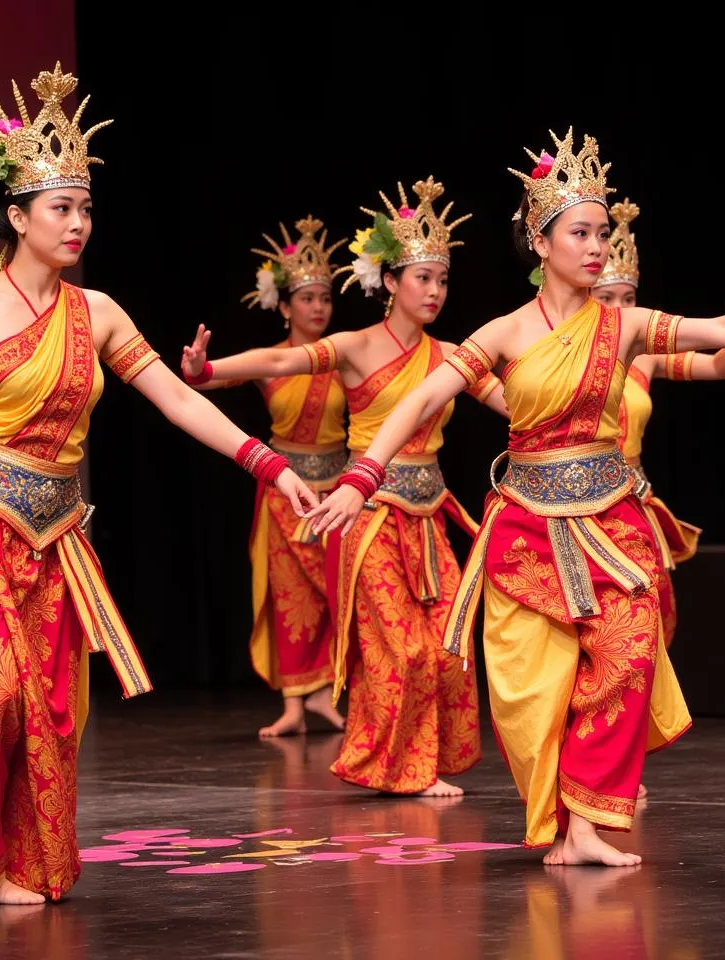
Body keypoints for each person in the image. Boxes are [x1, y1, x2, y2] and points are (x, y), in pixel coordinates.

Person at [308, 129, 725, 863]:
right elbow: (417, 403)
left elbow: (718, 330)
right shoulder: (505, 332)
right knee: (538, 684)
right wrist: (360, 475)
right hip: (529, 525)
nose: (596, 245)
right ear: (540, 244)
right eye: (580, 232)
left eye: (602, 232)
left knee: (632, 654)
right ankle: (572, 828)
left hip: (613, 518)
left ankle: (586, 825)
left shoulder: (625, 324)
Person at [0, 63, 315, 908]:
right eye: (60, 209)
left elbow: (178, 399)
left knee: (45, 711)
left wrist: (269, 462)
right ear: (15, 216)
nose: (78, 223)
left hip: (55, 537)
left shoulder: (99, 312)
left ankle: (15, 865)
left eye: (84, 208)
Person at [182, 177, 507, 795]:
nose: (435, 291)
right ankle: (399, 767)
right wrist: (209, 371)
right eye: (421, 279)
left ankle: (409, 760)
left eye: (442, 280)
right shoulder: (357, 347)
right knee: (402, 647)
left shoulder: (453, 356)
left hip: (430, 518)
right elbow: (281, 362)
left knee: (446, 646)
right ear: (389, 283)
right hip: (371, 516)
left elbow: (514, 402)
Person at [591, 198, 725, 647]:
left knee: (654, 617)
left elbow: (715, 367)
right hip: (578, 502)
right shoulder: (558, 351)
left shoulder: (645, 354)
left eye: (628, 299)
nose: (619, 307)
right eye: (606, 297)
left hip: (632, 498)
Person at [197, 216, 348, 737]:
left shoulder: (344, 357)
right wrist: (200, 369)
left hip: (336, 490)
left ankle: (328, 696)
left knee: (337, 593)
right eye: (306, 299)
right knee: (292, 598)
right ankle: (292, 703)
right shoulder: (273, 361)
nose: (318, 308)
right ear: (284, 306)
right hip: (286, 493)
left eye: (324, 298)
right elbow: (211, 381)